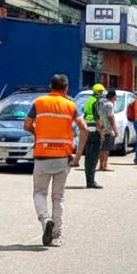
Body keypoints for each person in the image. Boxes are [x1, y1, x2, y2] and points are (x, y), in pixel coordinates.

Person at [23, 74, 87, 248]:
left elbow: (27, 125)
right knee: (58, 197)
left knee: (39, 193)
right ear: (66, 88)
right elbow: (84, 129)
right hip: (62, 157)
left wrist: (38, 133)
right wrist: (78, 155)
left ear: (50, 86)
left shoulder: (39, 103)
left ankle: (45, 220)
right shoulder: (71, 106)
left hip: (42, 155)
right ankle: (57, 236)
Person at [81, 83, 106, 189]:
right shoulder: (97, 102)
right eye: (102, 92)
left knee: (88, 158)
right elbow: (98, 118)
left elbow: (85, 116)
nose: (103, 94)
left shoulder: (89, 101)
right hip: (95, 132)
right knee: (94, 158)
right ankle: (91, 182)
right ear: (99, 92)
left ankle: (89, 180)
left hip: (88, 131)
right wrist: (101, 132)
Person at [99, 89, 118, 172]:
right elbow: (111, 118)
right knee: (106, 149)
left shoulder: (103, 103)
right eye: (115, 97)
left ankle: (102, 165)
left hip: (102, 128)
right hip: (107, 129)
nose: (116, 99)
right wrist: (115, 130)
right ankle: (103, 165)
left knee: (103, 148)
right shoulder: (109, 105)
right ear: (113, 97)